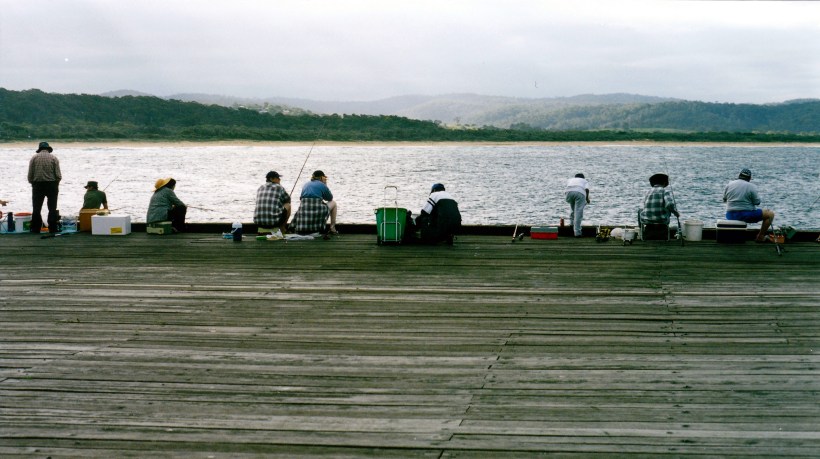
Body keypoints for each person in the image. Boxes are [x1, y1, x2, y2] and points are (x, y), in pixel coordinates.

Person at [723, 168, 775, 243]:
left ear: (739, 176)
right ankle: (760, 237)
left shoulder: (729, 184)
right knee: (770, 214)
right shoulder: (751, 186)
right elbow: (757, 202)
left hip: (730, 215)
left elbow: (724, 199)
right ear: (749, 178)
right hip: (745, 215)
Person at [27, 141, 62, 234]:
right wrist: (56, 183)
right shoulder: (54, 158)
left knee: (36, 208)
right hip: (52, 185)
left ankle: (36, 228)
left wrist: (32, 183)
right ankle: (52, 228)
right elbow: (58, 175)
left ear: (40, 149)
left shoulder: (34, 158)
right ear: (48, 149)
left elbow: (30, 174)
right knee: (52, 207)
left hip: (37, 185)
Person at [291, 170, 337, 234]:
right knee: (333, 203)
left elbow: (301, 198)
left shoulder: (306, 184)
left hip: (303, 222)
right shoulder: (322, 185)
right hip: (316, 214)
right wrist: (325, 185)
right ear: (322, 177)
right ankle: (332, 228)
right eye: (325, 177)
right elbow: (330, 198)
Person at [253, 171, 291, 235]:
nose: (279, 179)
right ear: (271, 179)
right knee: (288, 205)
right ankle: (282, 228)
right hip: (274, 223)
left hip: (258, 222)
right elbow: (288, 200)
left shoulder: (260, 187)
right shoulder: (279, 188)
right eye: (277, 178)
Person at [564, 173, 590, 237]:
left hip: (568, 193)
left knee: (573, 208)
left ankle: (571, 224)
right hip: (580, 192)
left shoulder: (570, 179)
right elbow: (587, 189)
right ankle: (577, 233)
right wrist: (587, 199)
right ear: (583, 178)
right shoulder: (584, 181)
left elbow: (567, 186)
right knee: (578, 212)